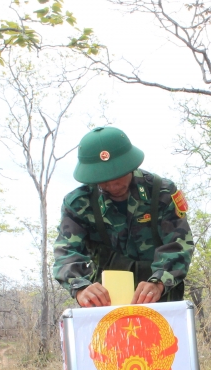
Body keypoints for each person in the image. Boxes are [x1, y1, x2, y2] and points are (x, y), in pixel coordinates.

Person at [53, 126, 193, 306]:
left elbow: (179, 244)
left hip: (159, 297)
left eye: (117, 174)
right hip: (105, 301)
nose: (112, 183)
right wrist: (80, 287)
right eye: (102, 178)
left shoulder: (162, 192)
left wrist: (159, 282)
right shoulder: (79, 203)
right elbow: (66, 252)